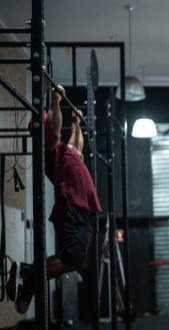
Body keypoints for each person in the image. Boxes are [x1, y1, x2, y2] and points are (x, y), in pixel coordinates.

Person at [7, 85, 101, 314]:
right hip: (72, 206)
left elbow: (76, 147)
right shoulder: (48, 147)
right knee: (74, 261)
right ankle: (28, 276)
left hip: (83, 209)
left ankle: (29, 278)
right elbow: (56, 131)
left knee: (75, 260)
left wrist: (77, 123)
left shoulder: (64, 153)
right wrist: (56, 100)